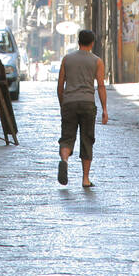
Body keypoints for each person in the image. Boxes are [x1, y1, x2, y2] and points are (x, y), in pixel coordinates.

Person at [56, 30, 108, 188]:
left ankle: (64, 160)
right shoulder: (97, 61)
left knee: (67, 138)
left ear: (78, 42)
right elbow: (100, 86)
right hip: (87, 103)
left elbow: (60, 86)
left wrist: (62, 103)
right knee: (87, 140)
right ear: (92, 43)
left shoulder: (67, 59)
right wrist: (105, 109)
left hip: (69, 103)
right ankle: (85, 179)